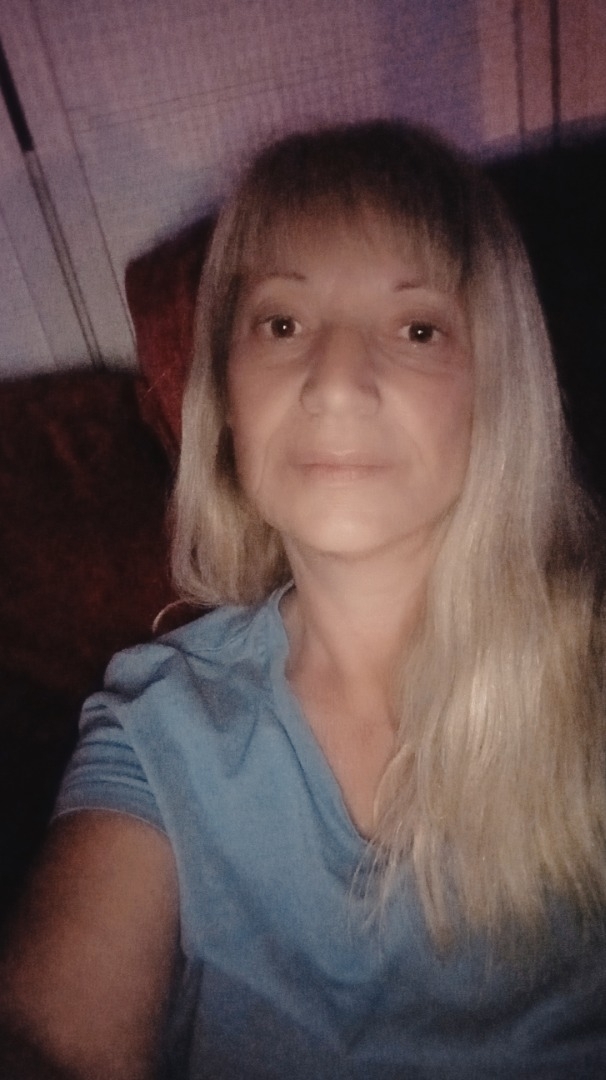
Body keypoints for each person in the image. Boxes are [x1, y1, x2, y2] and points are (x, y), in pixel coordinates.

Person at [1, 120, 605, 1080]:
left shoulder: (592, 687)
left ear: (498, 386)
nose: (335, 383)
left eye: (416, 329)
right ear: (226, 396)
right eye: (281, 325)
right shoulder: (155, 727)